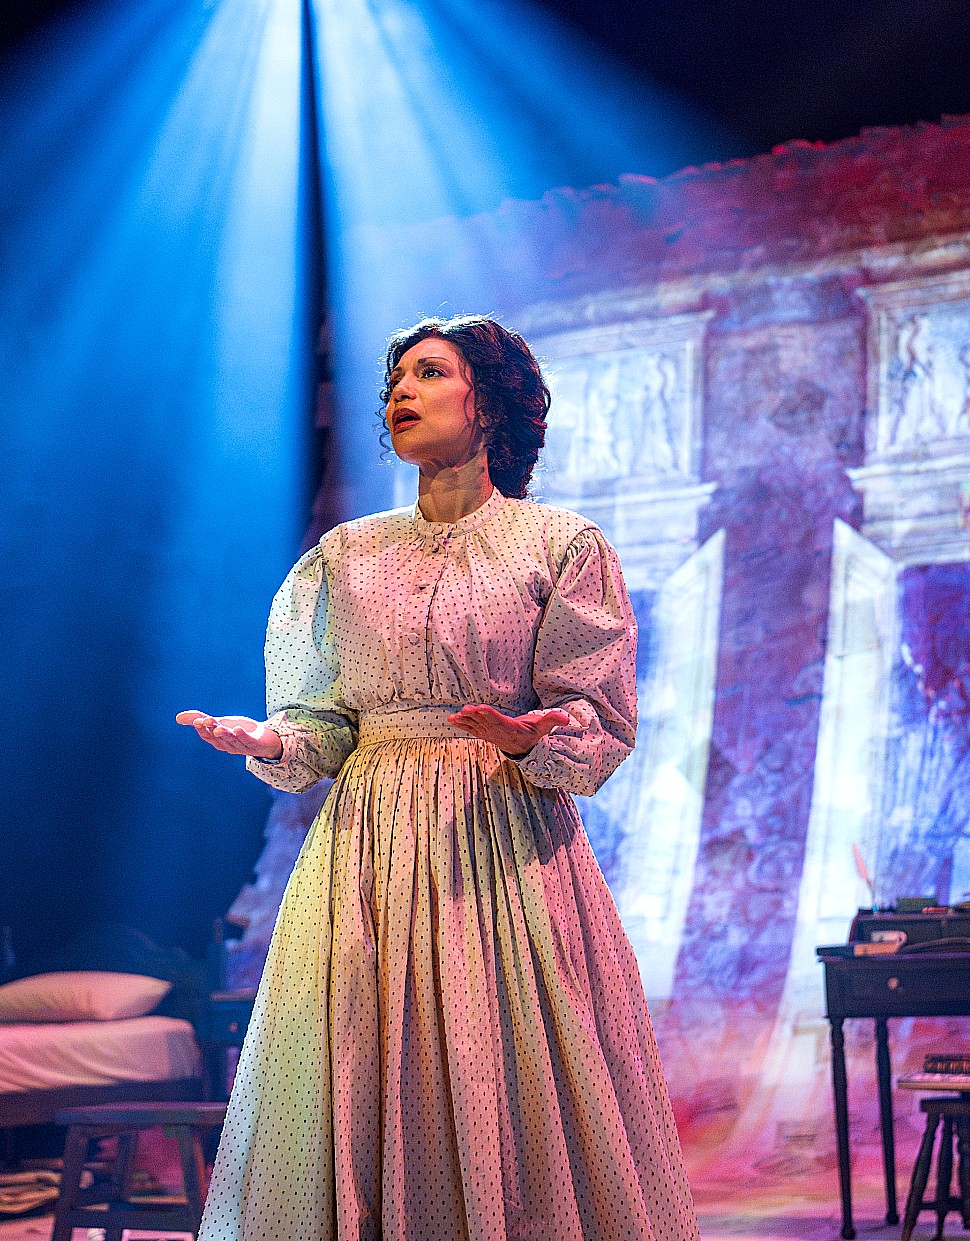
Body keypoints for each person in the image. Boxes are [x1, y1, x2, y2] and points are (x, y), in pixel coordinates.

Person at [176, 315, 699, 1241]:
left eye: (428, 373)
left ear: (487, 402)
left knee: (503, 1060)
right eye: (392, 384)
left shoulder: (557, 545)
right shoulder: (346, 556)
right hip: (365, 848)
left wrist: (522, 733)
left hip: (497, 844)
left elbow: (599, 716)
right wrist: (268, 739)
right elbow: (322, 723)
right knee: (360, 1061)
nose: (400, 395)